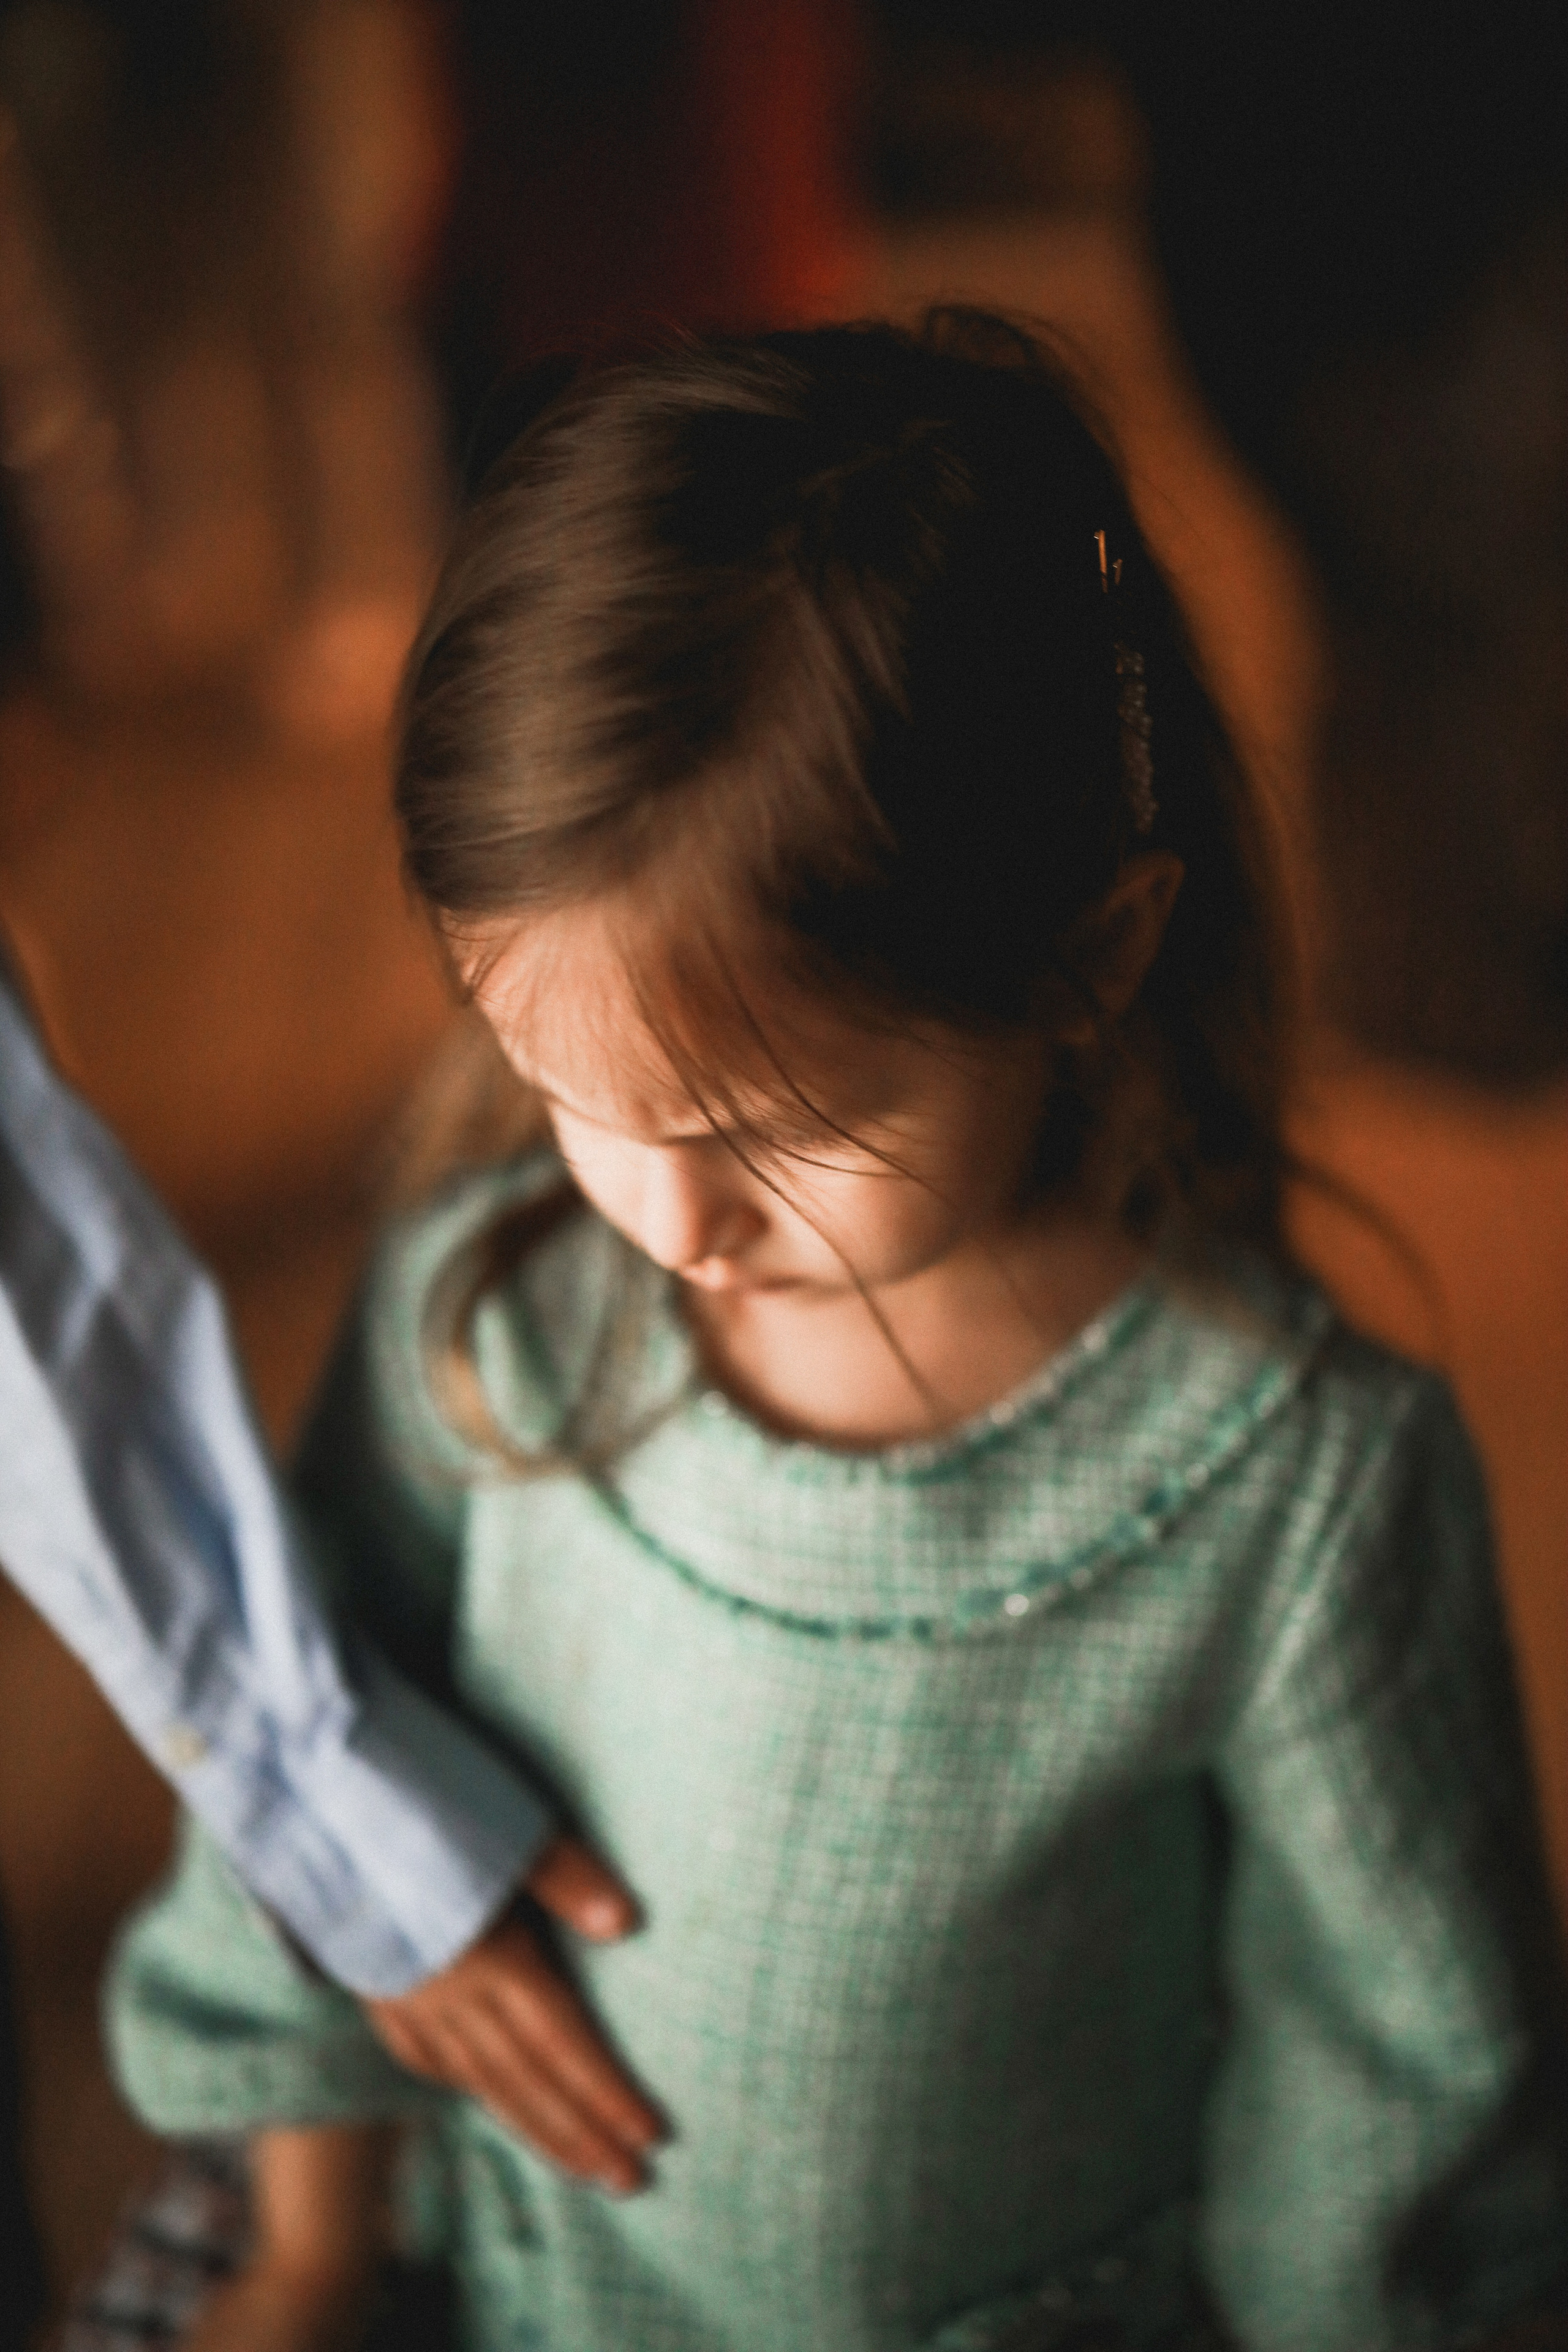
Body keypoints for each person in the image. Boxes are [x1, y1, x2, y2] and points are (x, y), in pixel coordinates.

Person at [107, 317, 1568, 2350]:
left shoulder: (1293, 1490)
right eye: (567, 1098)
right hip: (521, 2293)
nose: (667, 1222)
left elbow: (1394, 2083)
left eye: (782, 1132)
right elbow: (304, 1759)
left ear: (1094, 955)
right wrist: (314, 2258)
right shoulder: (494, 1318)